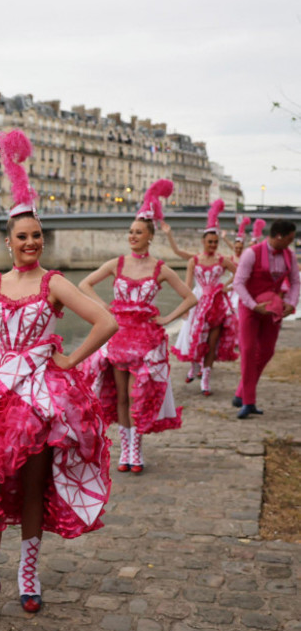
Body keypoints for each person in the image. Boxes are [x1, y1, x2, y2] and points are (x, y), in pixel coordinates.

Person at [0, 130, 117, 624]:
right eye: (23, 237)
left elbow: (107, 322)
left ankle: (28, 576)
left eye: (37, 236)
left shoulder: (54, 282)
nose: (32, 242)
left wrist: (69, 360)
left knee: (33, 487)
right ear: (9, 242)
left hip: (39, 395)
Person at [79, 179, 197, 474]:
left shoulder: (160, 269)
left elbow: (191, 297)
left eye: (138, 232)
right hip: (118, 337)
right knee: (119, 396)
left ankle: (137, 449)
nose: (132, 236)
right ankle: (124, 451)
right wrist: (104, 308)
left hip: (146, 341)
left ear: (149, 236)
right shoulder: (116, 264)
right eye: (130, 232)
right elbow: (84, 284)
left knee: (137, 395)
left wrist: (168, 319)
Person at [232, 219, 298, 419]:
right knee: (248, 350)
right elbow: (238, 283)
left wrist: (292, 303)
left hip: (272, 309)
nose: (292, 242)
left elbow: (295, 281)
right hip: (250, 308)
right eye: (290, 238)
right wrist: (253, 305)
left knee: (267, 351)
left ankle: (241, 392)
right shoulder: (251, 253)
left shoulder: (290, 256)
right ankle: (248, 401)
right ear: (279, 236)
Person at [170, 200, 238, 395]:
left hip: (216, 303)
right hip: (198, 302)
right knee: (195, 338)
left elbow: (241, 273)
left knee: (212, 342)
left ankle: (206, 379)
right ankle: (194, 367)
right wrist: (185, 309)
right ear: (203, 242)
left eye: (216, 242)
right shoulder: (194, 260)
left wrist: (226, 286)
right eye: (210, 242)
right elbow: (186, 286)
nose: (213, 245)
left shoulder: (222, 260)